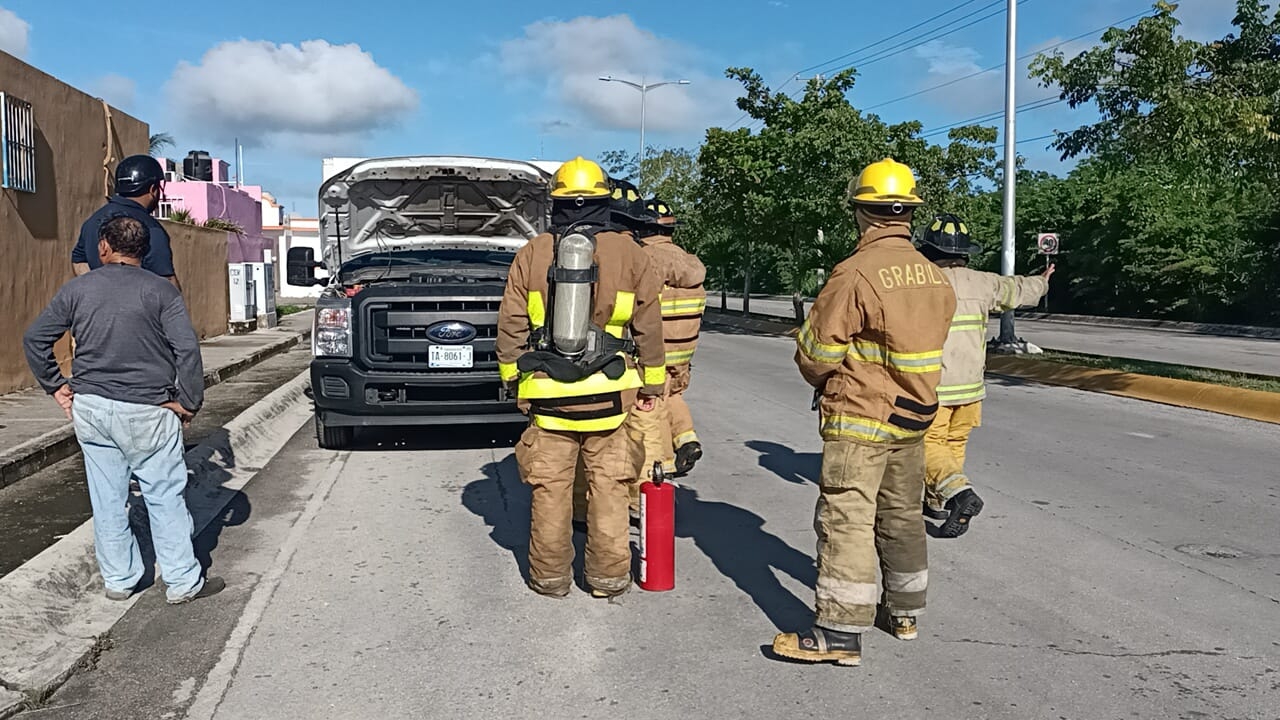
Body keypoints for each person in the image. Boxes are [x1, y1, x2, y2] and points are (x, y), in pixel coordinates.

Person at [772, 159, 956, 667]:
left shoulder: (854, 273)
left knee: (847, 516)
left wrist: (809, 348)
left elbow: (818, 357)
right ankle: (903, 612)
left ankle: (837, 631)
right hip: (914, 416)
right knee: (900, 514)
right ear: (907, 214)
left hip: (862, 417)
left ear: (862, 213)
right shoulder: (935, 275)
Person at [24, 216, 222, 604]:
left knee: (108, 497)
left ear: (103, 247)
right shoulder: (162, 293)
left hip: (93, 408)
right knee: (164, 494)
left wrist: (57, 387)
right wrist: (188, 401)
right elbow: (187, 350)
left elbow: (35, 339)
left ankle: (120, 580)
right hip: (149, 407)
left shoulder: (78, 289)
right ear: (144, 252)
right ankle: (182, 582)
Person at [496, 157, 666, 599]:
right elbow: (649, 325)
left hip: (549, 401)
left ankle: (550, 579)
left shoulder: (532, 252)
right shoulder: (632, 253)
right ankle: (607, 579)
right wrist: (650, 384)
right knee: (608, 491)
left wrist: (514, 381)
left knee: (550, 493)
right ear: (605, 201)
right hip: (609, 398)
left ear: (554, 204)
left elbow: (512, 324)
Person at [916, 214, 1053, 537]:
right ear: (965, 253)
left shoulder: (921, 283)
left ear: (928, 251)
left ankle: (959, 493)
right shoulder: (983, 282)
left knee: (928, 443)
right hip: (971, 388)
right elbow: (1021, 289)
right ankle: (937, 501)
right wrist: (1044, 279)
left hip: (934, 385)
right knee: (954, 444)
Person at [643, 197, 706, 476]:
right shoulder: (690, 264)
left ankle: (664, 465)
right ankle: (687, 438)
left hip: (656, 352)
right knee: (673, 396)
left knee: (653, 405)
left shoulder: (645, 263)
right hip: (684, 354)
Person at [73, 154, 181, 289]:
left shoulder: (92, 221)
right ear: (153, 189)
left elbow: (79, 261)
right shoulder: (151, 228)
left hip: (95, 308)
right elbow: (167, 283)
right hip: (139, 309)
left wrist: (97, 292)